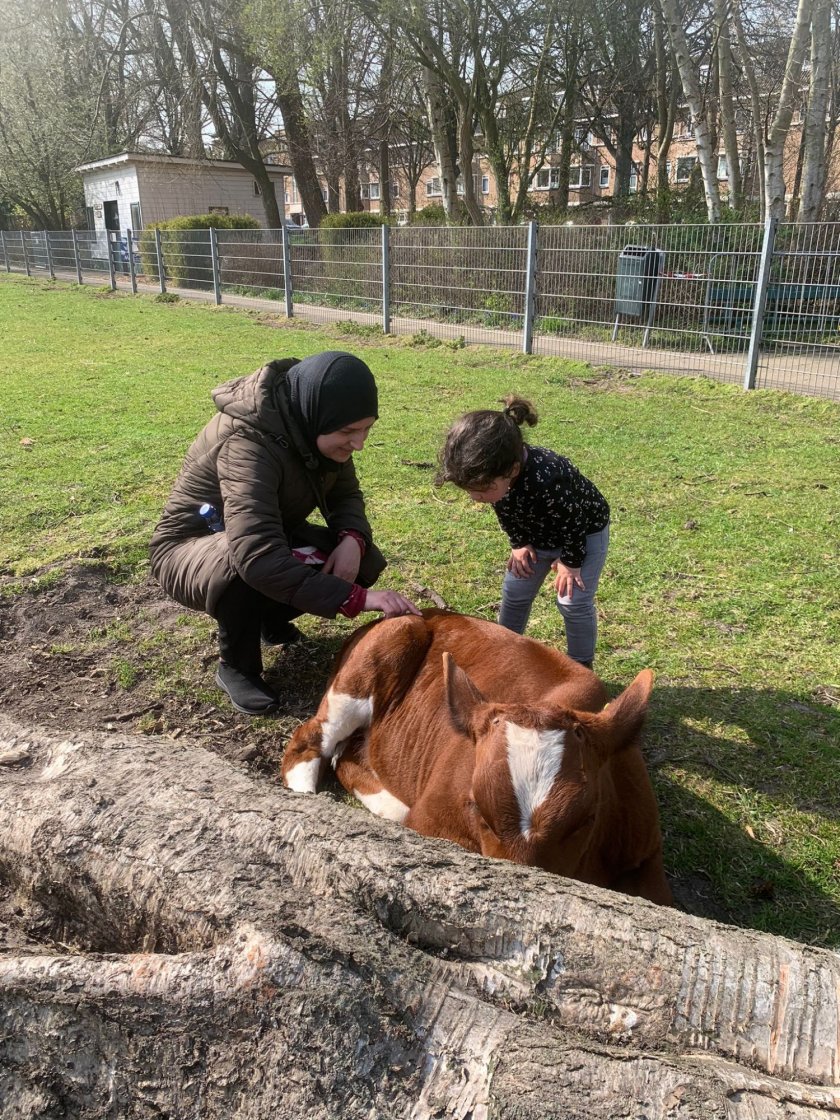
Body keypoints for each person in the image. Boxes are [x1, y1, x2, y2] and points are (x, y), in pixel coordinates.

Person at [150, 351, 421, 715]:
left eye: (366, 429)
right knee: (245, 565)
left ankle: (270, 621)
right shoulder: (247, 441)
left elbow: (346, 495)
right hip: (190, 549)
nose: (359, 444)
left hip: (265, 533)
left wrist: (353, 539)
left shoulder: (312, 420)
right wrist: (355, 599)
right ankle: (237, 667)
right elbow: (256, 553)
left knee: (361, 559)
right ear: (315, 414)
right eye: (348, 432)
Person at [435, 395, 610, 668]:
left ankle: (580, 665)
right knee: (515, 591)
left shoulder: (548, 477)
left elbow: (575, 520)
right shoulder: (496, 479)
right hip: (536, 533)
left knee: (572, 601)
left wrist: (570, 562)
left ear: (513, 469)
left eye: (481, 490)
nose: (475, 498)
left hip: (582, 534)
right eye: (470, 490)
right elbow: (503, 508)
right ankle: (503, 653)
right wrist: (519, 543)